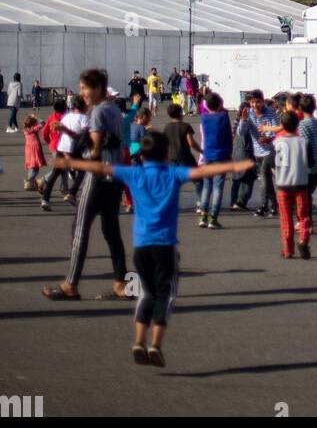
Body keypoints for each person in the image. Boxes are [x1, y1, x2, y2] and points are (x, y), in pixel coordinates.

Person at [56, 131, 253, 364]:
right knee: (165, 296)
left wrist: (69, 162)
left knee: (147, 294)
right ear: (166, 154)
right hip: (165, 246)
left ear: (143, 156)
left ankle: (139, 340)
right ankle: (155, 345)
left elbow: (102, 169)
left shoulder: (135, 174)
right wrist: (235, 165)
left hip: (141, 247)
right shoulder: (173, 173)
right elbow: (202, 171)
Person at [41, 69, 129, 303]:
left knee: (80, 228)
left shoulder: (99, 111)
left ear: (98, 88)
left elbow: (95, 151)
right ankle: (121, 283)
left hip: (98, 177)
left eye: (84, 89)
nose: (81, 94)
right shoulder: (113, 109)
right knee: (111, 231)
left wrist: (68, 161)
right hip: (115, 176)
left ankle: (71, 284)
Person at [273, 110, 312, 259]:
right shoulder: (303, 142)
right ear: (297, 125)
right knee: (303, 216)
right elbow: (311, 161)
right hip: (301, 184)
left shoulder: (277, 143)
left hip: (283, 185)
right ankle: (303, 240)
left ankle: (288, 249)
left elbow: (271, 162)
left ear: (282, 125)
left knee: (286, 218)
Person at [198, 93, 233, 228]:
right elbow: (228, 137)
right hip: (221, 155)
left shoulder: (204, 118)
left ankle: (203, 217)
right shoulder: (223, 117)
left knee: (207, 186)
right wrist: (229, 154)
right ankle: (213, 218)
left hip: (208, 155)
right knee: (218, 187)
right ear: (220, 104)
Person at [248, 91, 278, 217]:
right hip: (257, 151)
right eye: (253, 102)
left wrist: (269, 138)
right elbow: (241, 131)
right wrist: (243, 120)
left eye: (258, 102)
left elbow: (277, 130)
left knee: (263, 178)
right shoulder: (248, 113)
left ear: (262, 101)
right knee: (267, 179)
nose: (255, 105)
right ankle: (274, 205)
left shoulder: (270, 112)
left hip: (270, 149)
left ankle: (263, 206)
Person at [298, 94, 317, 218]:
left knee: (303, 194)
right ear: (314, 107)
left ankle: (305, 221)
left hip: (308, 164)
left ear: (300, 108)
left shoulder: (303, 124)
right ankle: (307, 221)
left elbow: (304, 144)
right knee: (308, 193)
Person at [23, 114, 47, 191]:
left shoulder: (26, 129)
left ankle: (31, 184)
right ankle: (29, 180)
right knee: (36, 168)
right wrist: (36, 117)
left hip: (28, 148)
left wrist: (31, 118)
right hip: (35, 147)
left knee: (31, 166)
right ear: (33, 123)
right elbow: (43, 122)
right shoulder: (34, 128)